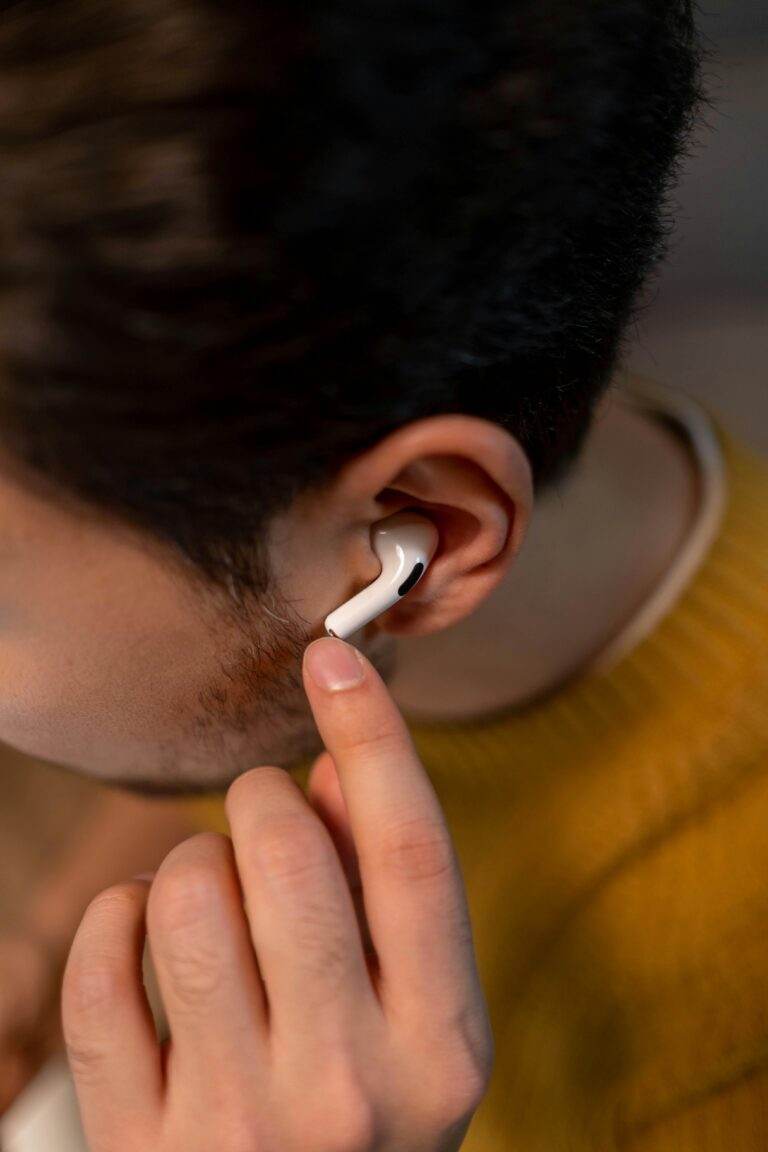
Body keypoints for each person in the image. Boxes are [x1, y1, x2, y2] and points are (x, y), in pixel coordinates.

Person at [2, 0, 768, 1146]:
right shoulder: (417, 365)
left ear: (416, 539)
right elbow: (212, 677)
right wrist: (52, 935)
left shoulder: (722, 1052)